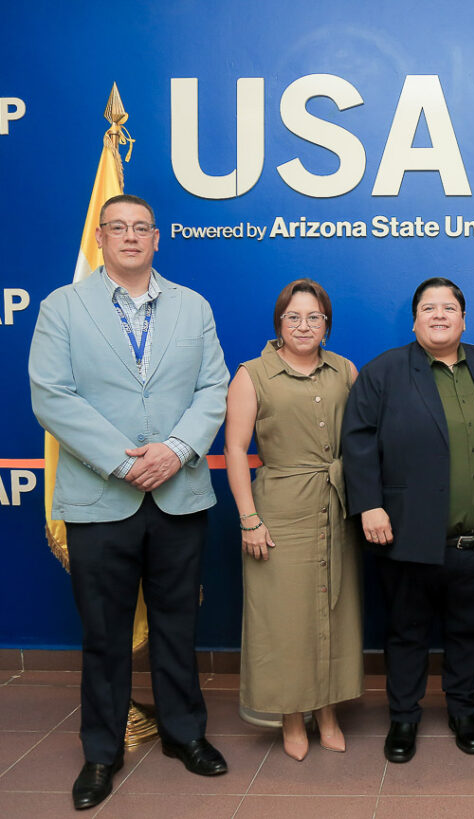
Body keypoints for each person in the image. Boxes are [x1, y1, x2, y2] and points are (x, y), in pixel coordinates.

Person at [28, 194, 230, 810]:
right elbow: (52, 395)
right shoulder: (62, 307)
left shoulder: (192, 307)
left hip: (179, 492)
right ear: (102, 236)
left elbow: (213, 386)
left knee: (178, 624)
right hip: (98, 496)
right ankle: (101, 751)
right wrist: (124, 460)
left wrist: (174, 450)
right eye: (118, 228)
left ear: (157, 238)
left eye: (142, 228)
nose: (131, 237)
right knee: (104, 633)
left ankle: (185, 734)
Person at [341, 277, 474, 763]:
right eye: (428, 308)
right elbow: (356, 442)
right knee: (406, 632)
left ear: (464, 317)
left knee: (470, 631)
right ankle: (403, 718)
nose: (439, 315)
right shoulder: (384, 372)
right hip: (407, 536)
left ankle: (464, 711)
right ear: (414, 318)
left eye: (448, 308)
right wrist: (369, 504)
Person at [223, 279, 363, 762]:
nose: (304, 326)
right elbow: (236, 451)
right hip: (279, 509)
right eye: (294, 317)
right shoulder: (251, 374)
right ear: (279, 323)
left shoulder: (345, 370)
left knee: (333, 610)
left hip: (336, 506)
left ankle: (327, 712)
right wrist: (249, 519)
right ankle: (290, 717)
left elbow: (362, 441)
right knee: (284, 620)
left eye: (315, 318)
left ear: (327, 325)